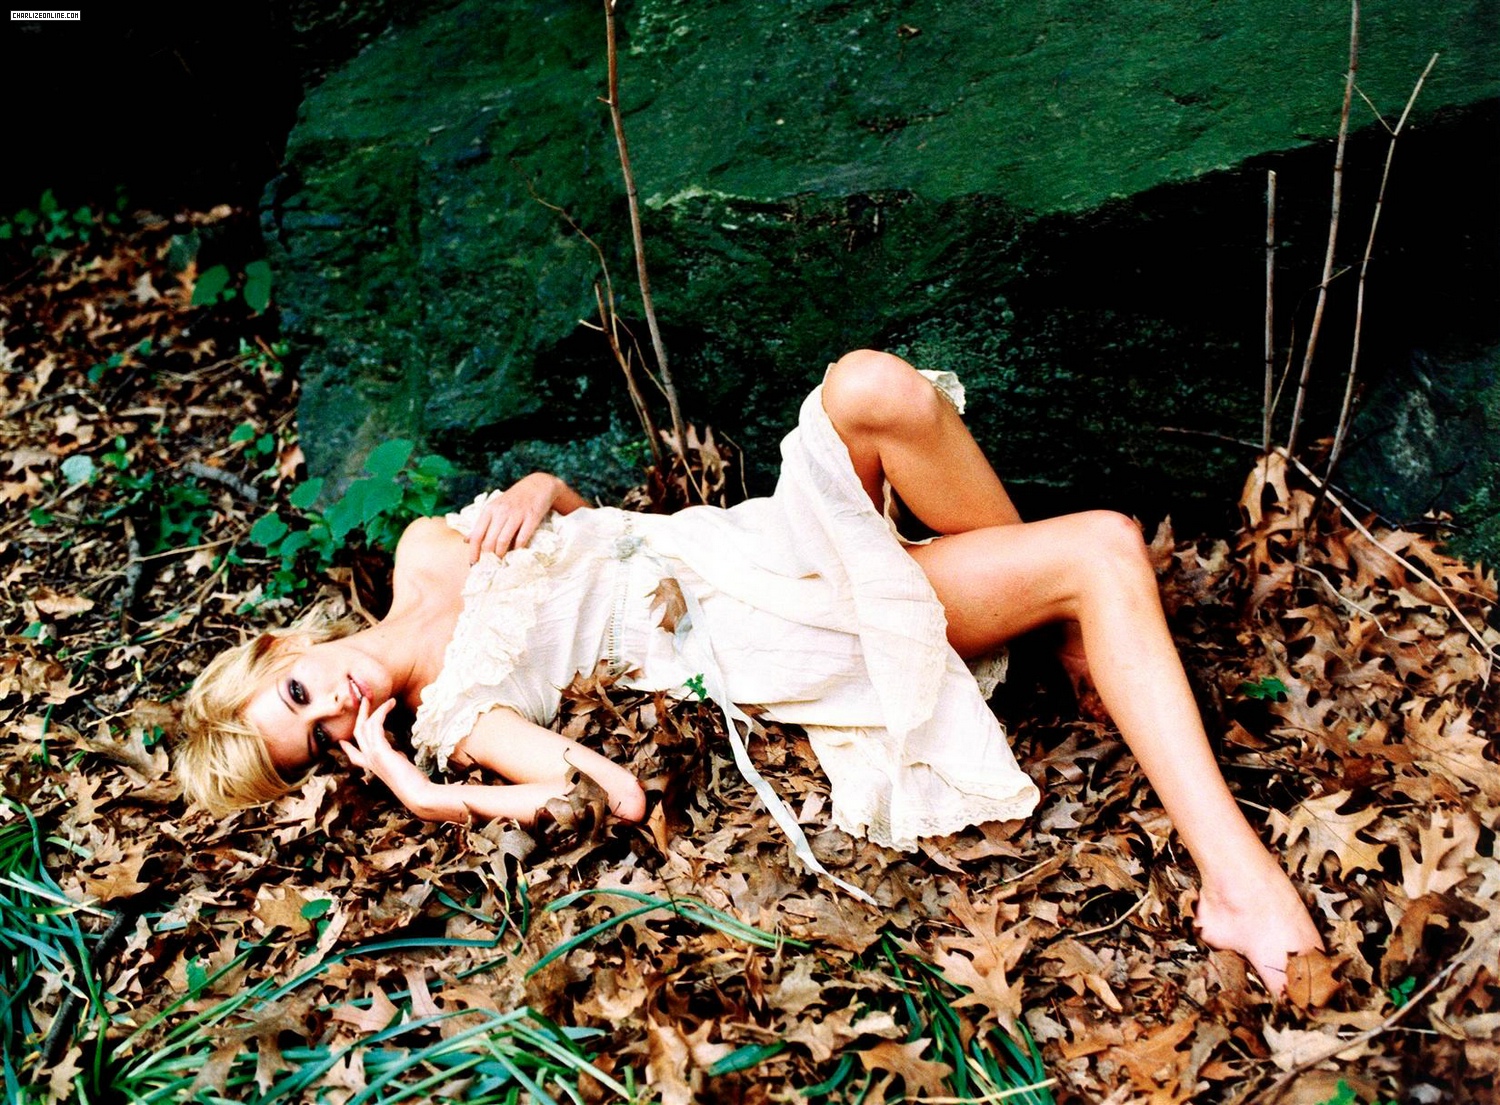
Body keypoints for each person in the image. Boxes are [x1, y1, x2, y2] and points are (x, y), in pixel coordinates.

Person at [176, 349, 1322, 993]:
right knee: (1104, 547)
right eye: (317, 745)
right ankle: (1238, 881)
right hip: (757, 626)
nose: (335, 711)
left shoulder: (426, 547)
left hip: (743, 538)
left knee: (873, 385)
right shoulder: (453, 714)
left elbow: (581, 517)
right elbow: (606, 793)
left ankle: (1063, 626)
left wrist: (537, 489)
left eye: (299, 697)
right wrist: (422, 787)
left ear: (284, 649)